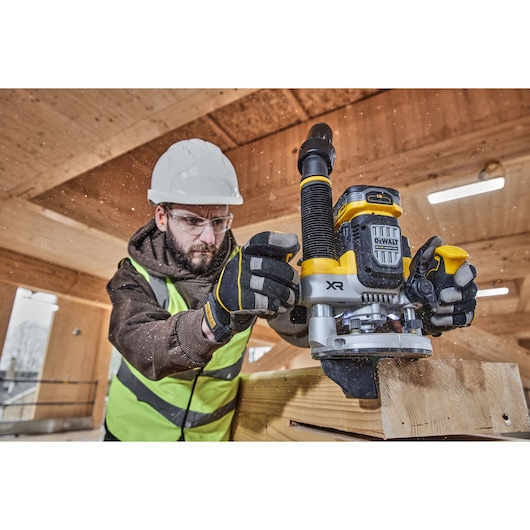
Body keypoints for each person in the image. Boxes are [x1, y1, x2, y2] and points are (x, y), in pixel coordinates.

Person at [104, 138, 477, 442]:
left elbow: (308, 321)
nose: (208, 236)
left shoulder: (244, 271)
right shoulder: (131, 276)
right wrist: (213, 318)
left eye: (219, 221)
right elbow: (144, 346)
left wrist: (405, 313)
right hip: (133, 436)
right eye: (192, 221)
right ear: (161, 216)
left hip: (210, 438)